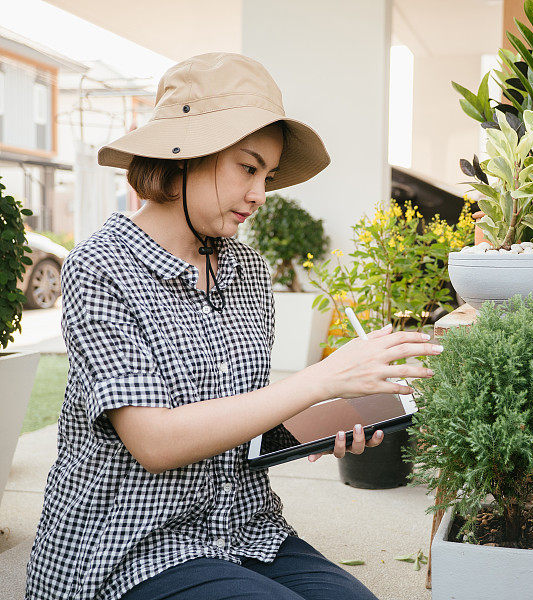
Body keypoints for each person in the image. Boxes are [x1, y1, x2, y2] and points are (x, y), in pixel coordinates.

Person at [24, 52, 442, 600]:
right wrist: (321, 379)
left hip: (244, 527)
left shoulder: (246, 269)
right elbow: (154, 442)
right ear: (184, 157)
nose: (260, 195)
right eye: (248, 168)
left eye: (267, 175)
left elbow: (239, 418)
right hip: (130, 544)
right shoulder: (101, 266)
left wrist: (314, 425)